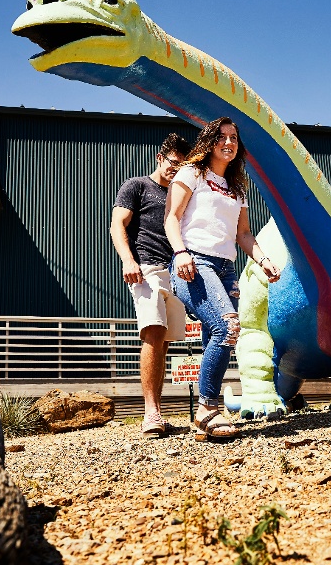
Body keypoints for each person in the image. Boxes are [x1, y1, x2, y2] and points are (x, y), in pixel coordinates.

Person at [164, 117, 280, 441]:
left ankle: (205, 419)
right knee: (229, 326)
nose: (229, 142)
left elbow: (243, 234)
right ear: (210, 140)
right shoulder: (192, 173)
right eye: (223, 136)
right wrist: (181, 252)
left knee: (216, 335)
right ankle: (206, 407)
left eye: (234, 138)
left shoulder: (236, 188)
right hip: (194, 262)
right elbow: (171, 218)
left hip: (226, 269)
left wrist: (263, 259)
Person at [110, 132, 191, 437]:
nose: (177, 169)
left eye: (183, 166)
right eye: (174, 163)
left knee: (165, 342)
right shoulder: (138, 186)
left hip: (176, 272)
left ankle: (157, 410)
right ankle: (150, 412)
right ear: (161, 158)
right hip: (147, 269)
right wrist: (128, 261)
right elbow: (117, 224)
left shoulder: (182, 194)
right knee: (153, 334)